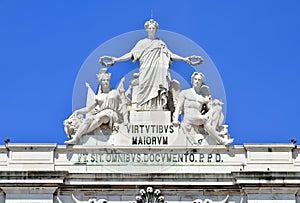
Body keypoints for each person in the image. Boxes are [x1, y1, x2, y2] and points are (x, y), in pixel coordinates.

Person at [99, 19, 203, 110]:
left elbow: (170, 54)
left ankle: (157, 107)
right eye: (150, 28)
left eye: (154, 28)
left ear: (156, 30)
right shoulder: (141, 43)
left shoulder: (160, 43)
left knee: (157, 89)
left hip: (158, 70)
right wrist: (116, 59)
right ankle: (142, 107)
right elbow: (130, 54)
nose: (152, 30)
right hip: (145, 69)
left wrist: (185, 59)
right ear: (147, 29)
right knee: (143, 87)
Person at [64, 69, 124, 145]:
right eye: (104, 80)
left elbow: (123, 103)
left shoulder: (115, 92)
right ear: (101, 82)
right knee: (89, 119)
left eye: (107, 80)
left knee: (102, 117)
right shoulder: (98, 97)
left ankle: (81, 134)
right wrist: (77, 111)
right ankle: (76, 138)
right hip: (101, 113)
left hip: (111, 114)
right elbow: (88, 109)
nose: (106, 82)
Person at [173, 72, 233, 146]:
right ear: (192, 80)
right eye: (195, 79)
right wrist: (175, 119)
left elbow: (210, 108)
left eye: (199, 80)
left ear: (202, 83)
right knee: (205, 120)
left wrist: (215, 104)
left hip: (199, 118)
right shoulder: (185, 93)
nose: (197, 81)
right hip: (188, 117)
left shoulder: (203, 97)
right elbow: (178, 107)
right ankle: (220, 140)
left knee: (217, 108)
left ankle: (213, 130)